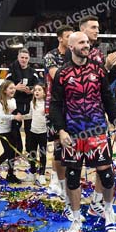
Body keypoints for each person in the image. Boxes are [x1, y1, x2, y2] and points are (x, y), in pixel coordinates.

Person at [50, 31, 116, 232]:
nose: (86, 45)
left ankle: (108, 212)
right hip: (73, 133)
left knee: (106, 174)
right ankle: (75, 219)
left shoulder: (98, 70)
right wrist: (61, 130)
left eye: (88, 42)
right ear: (71, 46)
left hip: (97, 130)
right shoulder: (62, 73)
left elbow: (108, 99)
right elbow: (55, 105)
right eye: (82, 42)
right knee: (73, 177)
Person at [43, 26, 74, 210]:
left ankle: (62, 179)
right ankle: (55, 180)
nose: (70, 39)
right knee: (56, 144)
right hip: (54, 105)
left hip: (71, 106)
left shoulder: (73, 54)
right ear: (60, 39)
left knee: (68, 144)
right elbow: (58, 77)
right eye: (68, 36)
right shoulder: (50, 56)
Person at [6, 47, 38, 155]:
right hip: (15, 104)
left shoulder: (33, 72)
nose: (24, 60)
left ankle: (29, 152)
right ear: (18, 57)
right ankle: (17, 152)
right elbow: (5, 85)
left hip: (28, 104)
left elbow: (38, 86)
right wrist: (15, 87)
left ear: (29, 59)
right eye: (22, 57)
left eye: (26, 58)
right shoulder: (12, 69)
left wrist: (31, 90)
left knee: (29, 130)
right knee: (14, 129)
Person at [0, 80, 23, 182]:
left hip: (12, 130)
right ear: (4, 90)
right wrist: (14, 117)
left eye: (14, 88)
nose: (13, 90)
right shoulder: (1, 101)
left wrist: (18, 116)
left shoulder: (13, 100)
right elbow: (3, 116)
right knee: (8, 151)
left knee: (14, 153)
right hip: (3, 131)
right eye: (10, 88)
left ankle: (10, 174)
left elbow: (15, 112)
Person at [27, 85, 49, 185]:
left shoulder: (46, 104)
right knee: (32, 153)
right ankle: (32, 172)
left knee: (42, 154)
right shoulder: (32, 103)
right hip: (33, 132)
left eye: (39, 90)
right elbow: (30, 115)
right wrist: (20, 117)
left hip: (43, 133)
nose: (36, 92)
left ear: (44, 93)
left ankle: (42, 175)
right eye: (35, 90)